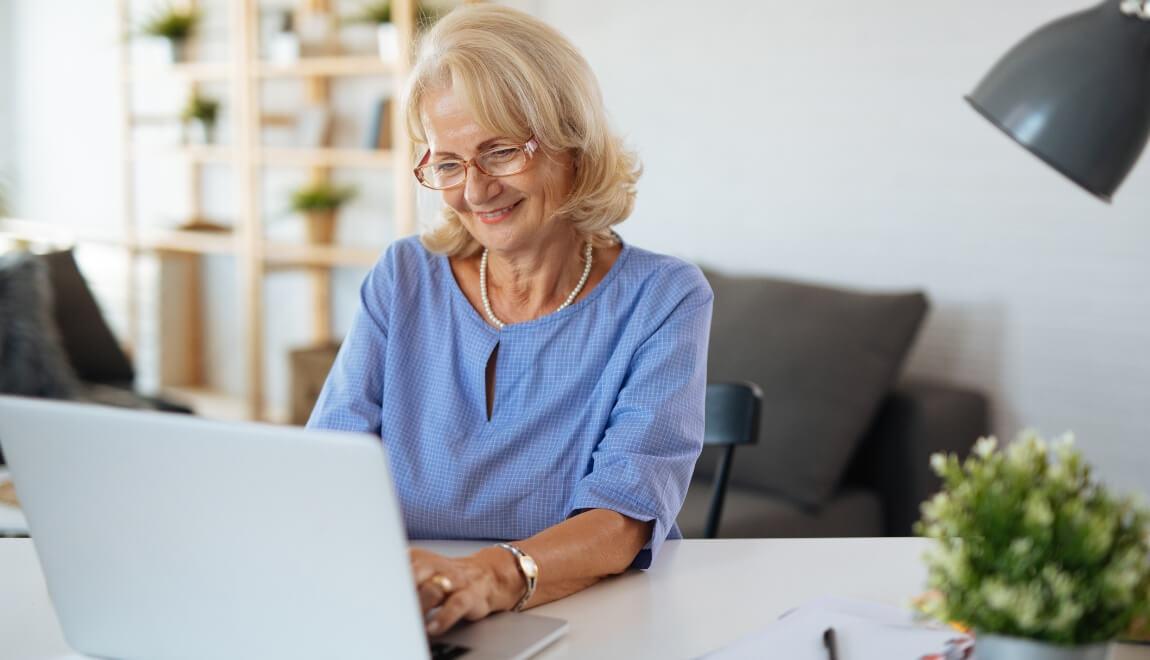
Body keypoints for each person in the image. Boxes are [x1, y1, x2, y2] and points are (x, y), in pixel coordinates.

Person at [307, 4, 713, 637]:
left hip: (585, 615)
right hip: (408, 610)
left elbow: (626, 515)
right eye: (447, 162)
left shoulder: (663, 297)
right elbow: (326, 469)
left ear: (572, 143)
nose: (474, 191)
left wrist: (490, 577)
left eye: (499, 152)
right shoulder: (403, 277)